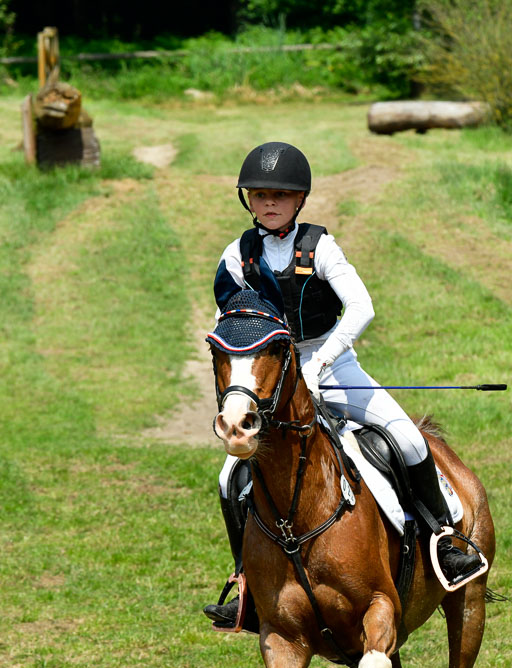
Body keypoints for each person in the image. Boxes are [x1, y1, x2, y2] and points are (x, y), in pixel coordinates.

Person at [204, 141, 481, 626]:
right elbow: (231, 318)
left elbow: (362, 308)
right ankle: (246, 579)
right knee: (230, 475)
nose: (269, 202)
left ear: (300, 200)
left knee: (409, 439)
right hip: (274, 376)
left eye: (280, 195)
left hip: (331, 362)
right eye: (259, 194)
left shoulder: (319, 247)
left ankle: (445, 541)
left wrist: (321, 362)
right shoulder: (236, 255)